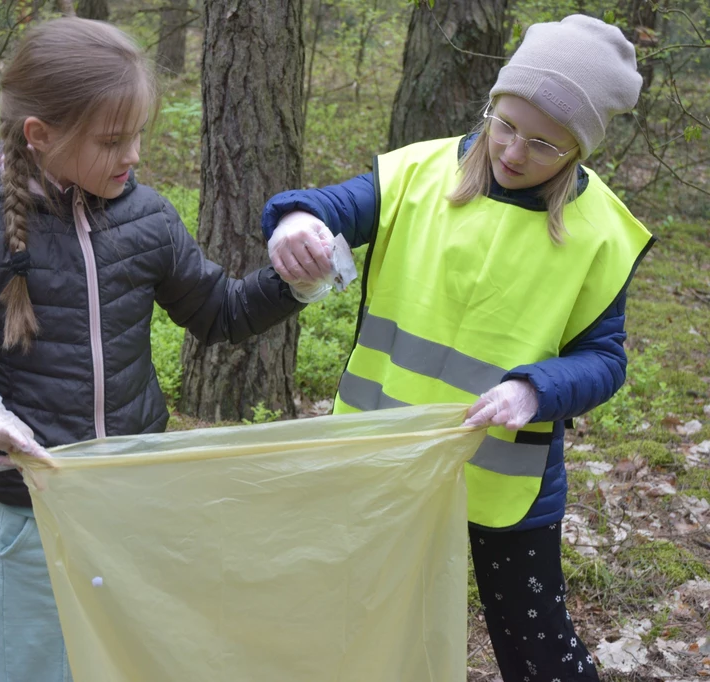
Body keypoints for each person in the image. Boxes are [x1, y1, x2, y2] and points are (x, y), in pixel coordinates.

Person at [0, 17, 302, 682]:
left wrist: (298, 282)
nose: (134, 154)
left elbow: (220, 312)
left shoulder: (148, 221)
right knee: (40, 668)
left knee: (129, 660)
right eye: (113, 139)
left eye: (139, 133)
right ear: (40, 136)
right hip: (35, 514)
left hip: (134, 502)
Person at [261, 15, 653, 682]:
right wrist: (298, 220)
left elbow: (606, 358)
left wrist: (535, 390)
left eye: (544, 143)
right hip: (385, 456)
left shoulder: (602, 234)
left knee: (537, 648)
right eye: (504, 124)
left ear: (579, 151)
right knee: (363, 618)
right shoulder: (416, 173)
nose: (513, 151)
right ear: (492, 104)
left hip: (509, 478)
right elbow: (330, 205)